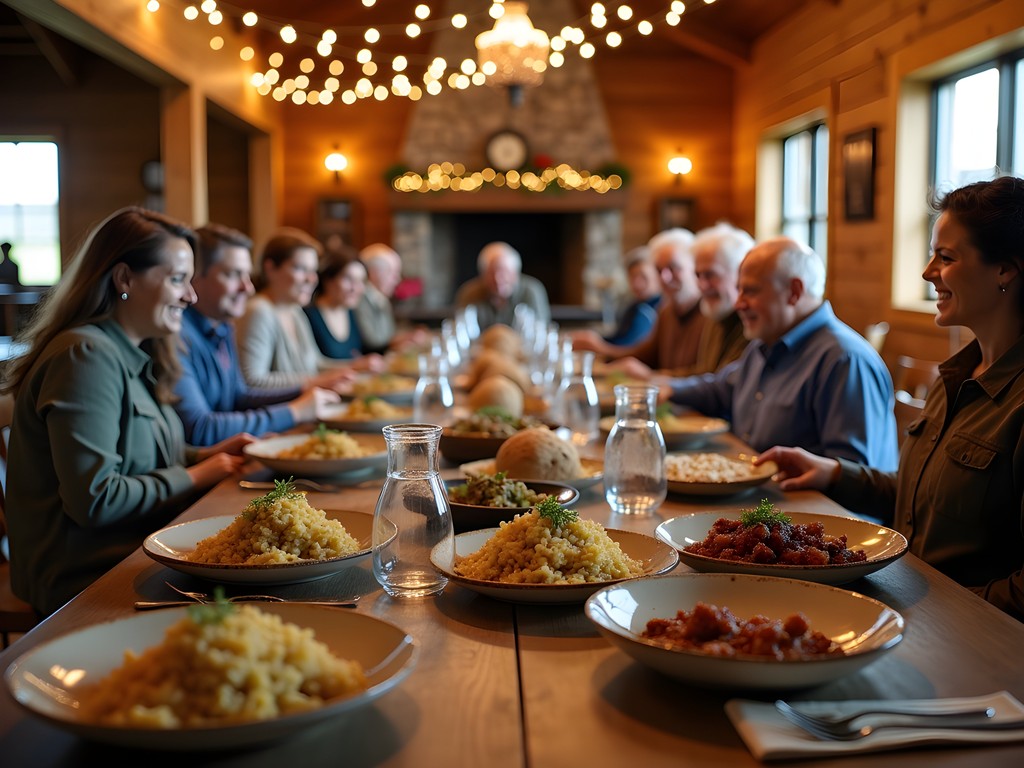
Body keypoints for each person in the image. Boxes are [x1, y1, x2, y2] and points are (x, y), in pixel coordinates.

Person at [757, 177, 1024, 620]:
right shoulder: (956, 377)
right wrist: (834, 473)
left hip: (962, 638)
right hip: (904, 604)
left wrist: (938, 611)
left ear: (1005, 269)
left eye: (946, 257)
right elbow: (921, 498)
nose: (926, 272)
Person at [0, 207, 250, 617]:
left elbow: (140, 454)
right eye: (176, 280)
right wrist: (196, 474)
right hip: (85, 577)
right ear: (124, 279)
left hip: (135, 547)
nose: (191, 296)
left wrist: (208, 455)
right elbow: (96, 499)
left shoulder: (130, 349)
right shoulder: (85, 355)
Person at [668, 235, 898, 470]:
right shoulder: (763, 345)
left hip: (799, 505)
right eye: (739, 290)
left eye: (751, 291)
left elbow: (855, 477)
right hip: (758, 496)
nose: (738, 303)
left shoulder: (845, 361)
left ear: (794, 292)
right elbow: (720, 389)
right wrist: (665, 389)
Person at [174, 223, 341, 447]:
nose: (248, 287)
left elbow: (239, 396)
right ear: (194, 277)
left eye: (247, 275)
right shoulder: (176, 335)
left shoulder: (222, 327)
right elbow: (200, 429)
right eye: (233, 274)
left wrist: (302, 391)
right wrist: (294, 412)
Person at [235, 227, 364, 390]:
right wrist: (314, 382)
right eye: (301, 269)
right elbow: (252, 381)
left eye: (313, 271)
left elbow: (316, 364)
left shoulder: (294, 310)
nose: (312, 279)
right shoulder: (259, 311)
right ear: (270, 268)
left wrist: (356, 367)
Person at [572, 228, 706, 377]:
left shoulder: (710, 314)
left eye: (673, 268)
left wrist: (649, 377)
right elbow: (641, 356)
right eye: (659, 269)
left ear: (696, 266)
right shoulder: (666, 311)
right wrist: (597, 348)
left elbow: (706, 379)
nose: (664, 278)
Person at [305, 247, 385, 368]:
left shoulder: (351, 312)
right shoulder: (308, 316)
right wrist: (355, 365)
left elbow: (361, 352)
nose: (356, 288)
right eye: (348, 279)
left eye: (361, 281)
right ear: (328, 280)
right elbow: (313, 366)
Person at [570, 246, 661, 349]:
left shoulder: (652, 311)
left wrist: (593, 344)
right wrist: (592, 338)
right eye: (632, 277)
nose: (636, 283)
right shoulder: (634, 306)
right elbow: (616, 339)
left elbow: (627, 348)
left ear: (658, 276)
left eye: (643, 277)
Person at [353, 242, 430, 354]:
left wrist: (407, 337)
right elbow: (372, 344)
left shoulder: (381, 298)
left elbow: (388, 336)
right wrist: (403, 340)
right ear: (374, 273)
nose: (397, 280)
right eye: (393, 273)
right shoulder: (359, 300)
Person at [454, 241, 550, 329]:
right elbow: (462, 330)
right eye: (491, 273)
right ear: (482, 274)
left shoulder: (532, 290)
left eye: (505, 272)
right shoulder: (468, 293)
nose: (498, 279)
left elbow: (540, 330)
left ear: (516, 273)